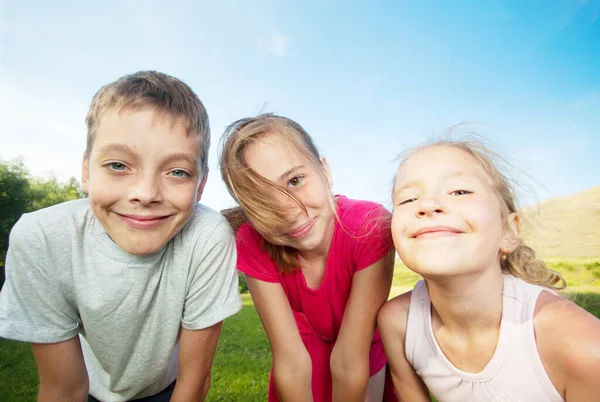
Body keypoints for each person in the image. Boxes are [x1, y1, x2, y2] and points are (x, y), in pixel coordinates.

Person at [0, 71, 242, 401]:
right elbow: (64, 389)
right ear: (86, 171)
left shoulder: (208, 236)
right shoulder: (43, 238)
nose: (145, 194)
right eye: (117, 165)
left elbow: (194, 382)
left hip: (166, 389)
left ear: (200, 185)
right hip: (89, 388)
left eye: (177, 172)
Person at [377, 139, 600, 401]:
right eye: (408, 199)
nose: (426, 205)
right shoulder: (397, 323)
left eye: (460, 191)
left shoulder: (581, 346)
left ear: (508, 230)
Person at [219, 114, 396, 402]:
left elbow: (351, 359)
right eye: (262, 200)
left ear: (324, 170)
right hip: (304, 348)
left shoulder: (369, 227)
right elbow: (291, 361)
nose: (288, 210)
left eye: (295, 180)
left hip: (362, 351)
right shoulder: (253, 242)